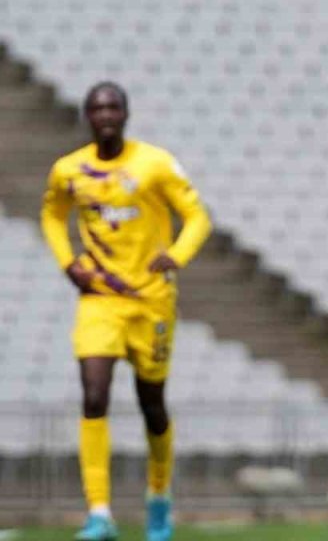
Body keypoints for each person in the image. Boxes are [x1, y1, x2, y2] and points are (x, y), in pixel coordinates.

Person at [40, 81, 212, 541]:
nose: (106, 114)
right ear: (87, 116)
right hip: (99, 300)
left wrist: (175, 256)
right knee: (93, 396)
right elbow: (52, 216)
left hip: (151, 301)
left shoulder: (154, 164)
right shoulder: (69, 170)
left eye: (113, 106)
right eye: (98, 108)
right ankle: (99, 513)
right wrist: (68, 262)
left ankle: (159, 499)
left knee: (151, 406)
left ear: (126, 113)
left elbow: (198, 217)